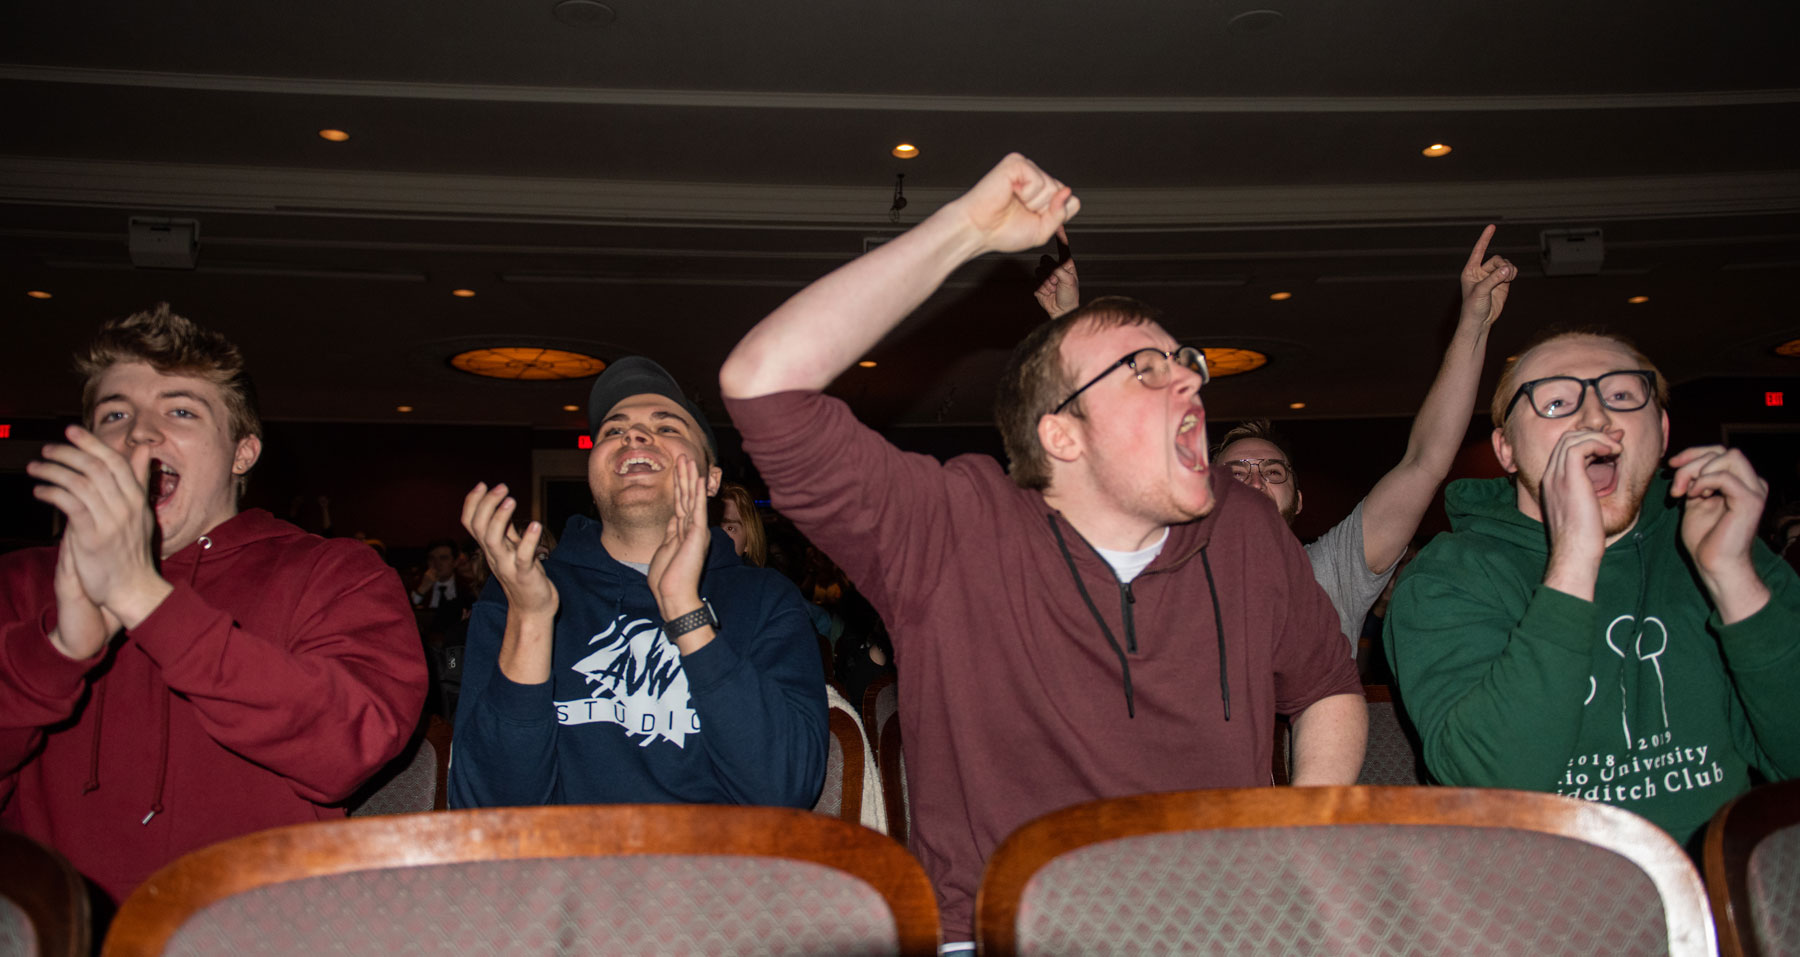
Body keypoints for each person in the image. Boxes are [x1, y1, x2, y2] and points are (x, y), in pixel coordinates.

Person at [720, 154, 1366, 946]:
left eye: (1187, 366)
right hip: (1006, 931)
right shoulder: (954, 530)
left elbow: (1328, 684)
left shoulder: (1244, 526)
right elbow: (762, 383)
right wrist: (965, 229)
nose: (1190, 385)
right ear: (1060, 435)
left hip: (1217, 931)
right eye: (1146, 371)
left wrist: (1303, 835)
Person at [0, 304, 425, 904]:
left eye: (180, 411)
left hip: (253, 929)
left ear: (242, 452)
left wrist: (147, 600)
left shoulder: (333, 574)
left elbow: (350, 749)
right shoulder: (19, 583)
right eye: (115, 413)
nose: (140, 433)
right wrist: (57, 651)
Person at [1386, 328, 1800, 850]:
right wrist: (1576, 557)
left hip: (1723, 897)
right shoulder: (1449, 577)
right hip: (1539, 903)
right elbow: (1490, 789)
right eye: (1557, 401)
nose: (1595, 418)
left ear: (1663, 430)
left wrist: (1733, 578)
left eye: (1622, 396)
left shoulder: (1724, 546)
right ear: (1506, 450)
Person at [1040, 227, 1516, 647]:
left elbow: (1425, 460)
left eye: (1273, 472)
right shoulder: (1162, 571)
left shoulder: (1333, 572)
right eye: (1237, 471)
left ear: (1299, 501)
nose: (1256, 480)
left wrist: (1473, 325)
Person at [448, 356, 827, 809]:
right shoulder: (522, 592)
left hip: (719, 873)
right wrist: (531, 619)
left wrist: (684, 609)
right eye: (613, 430)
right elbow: (488, 809)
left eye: (667, 427)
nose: (634, 435)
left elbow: (786, 791)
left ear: (711, 481)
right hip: (564, 873)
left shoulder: (766, 598)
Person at [711, 482, 768, 567]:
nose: (719, 535)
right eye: (713, 526)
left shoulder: (764, 579)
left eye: (730, 528)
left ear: (748, 542)